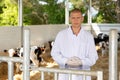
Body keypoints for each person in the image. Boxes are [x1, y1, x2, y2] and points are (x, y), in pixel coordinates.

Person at [51, 8, 98, 80]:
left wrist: (81, 62)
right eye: (73, 18)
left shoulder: (88, 36)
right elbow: (54, 53)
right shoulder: (61, 34)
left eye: (78, 18)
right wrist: (66, 61)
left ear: (82, 19)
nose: (76, 20)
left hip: (83, 75)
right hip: (65, 74)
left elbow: (93, 57)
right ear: (70, 19)